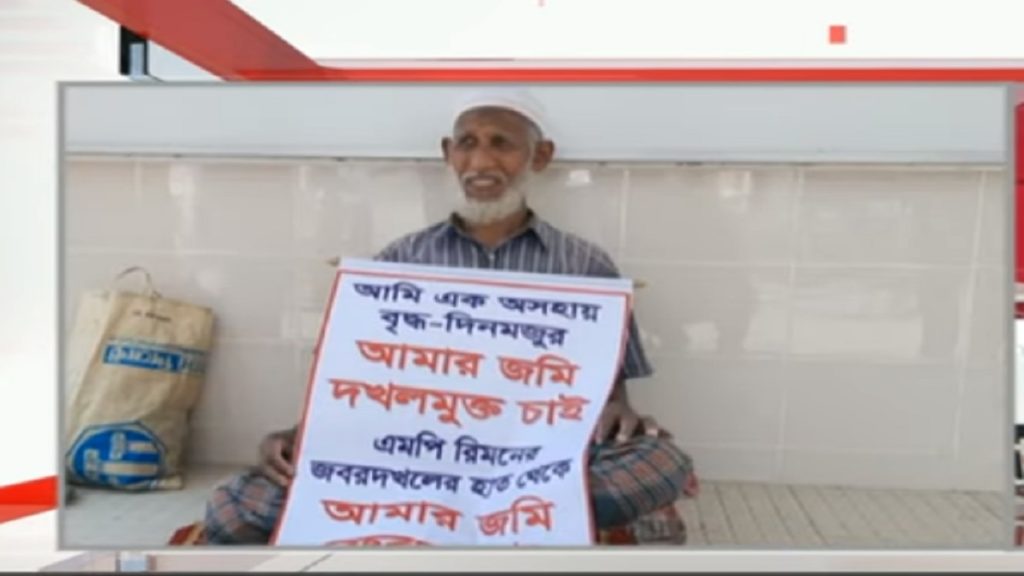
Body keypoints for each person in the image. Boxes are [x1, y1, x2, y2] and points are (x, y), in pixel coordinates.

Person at [203, 90, 696, 546]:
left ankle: (449, 518)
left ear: (539, 156)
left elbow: (611, 392)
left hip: (534, 465)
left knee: (660, 463)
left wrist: (620, 414)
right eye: (467, 144)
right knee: (236, 506)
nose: (481, 161)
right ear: (448, 153)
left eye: (502, 144)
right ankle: (488, 519)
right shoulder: (400, 261)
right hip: (412, 461)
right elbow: (355, 384)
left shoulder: (585, 266)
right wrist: (299, 435)